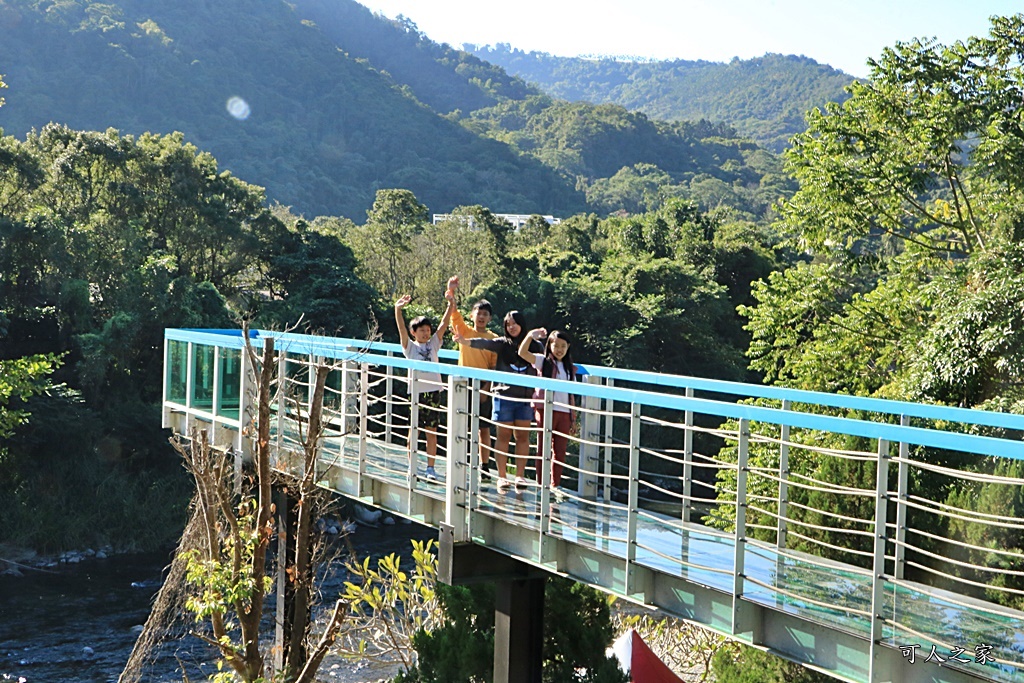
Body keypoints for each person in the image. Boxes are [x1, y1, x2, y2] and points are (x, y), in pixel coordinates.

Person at [453, 310, 541, 491]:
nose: (512, 327)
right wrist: (465, 342)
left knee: (523, 437)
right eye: (508, 324)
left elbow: (547, 362)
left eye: (515, 323)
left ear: (522, 324)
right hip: (504, 396)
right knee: (503, 436)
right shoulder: (502, 344)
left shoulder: (535, 345)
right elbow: (485, 343)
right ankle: (502, 476)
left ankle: (520, 476)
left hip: (525, 398)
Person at [395, 291, 454, 480]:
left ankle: (430, 468)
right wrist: (398, 310)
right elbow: (402, 330)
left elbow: (444, 324)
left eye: (427, 329)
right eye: (421, 330)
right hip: (416, 393)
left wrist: (450, 304)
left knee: (432, 431)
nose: (426, 333)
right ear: (414, 333)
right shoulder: (410, 347)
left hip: (434, 391)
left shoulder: (434, 344)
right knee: (414, 431)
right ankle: (411, 466)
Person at [445, 276, 498, 474]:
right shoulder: (465, 332)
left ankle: (484, 466)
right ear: (472, 315)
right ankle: (459, 462)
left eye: (485, 314)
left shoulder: (493, 339)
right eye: (478, 313)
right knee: (460, 425)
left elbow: (494, 368)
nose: (481, 317)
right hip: (463, 383)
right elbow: (453, 313)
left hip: (483, 384)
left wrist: (486, 388)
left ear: (490, 318)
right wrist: (451, 292)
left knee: (483, 428)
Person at [519, 328, 577, 498]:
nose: (559, 349)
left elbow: (571, 395)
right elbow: (522, 353)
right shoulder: (542, 361)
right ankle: (541, 484)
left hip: (564, 412)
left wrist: (573, 417)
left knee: (560, 450)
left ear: (568, 347)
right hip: (545, 409)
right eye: (556, 345)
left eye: (563, 346)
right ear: (549, 345)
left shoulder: (569, 368)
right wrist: (530, 336)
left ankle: (555, 485)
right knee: (542, 449)